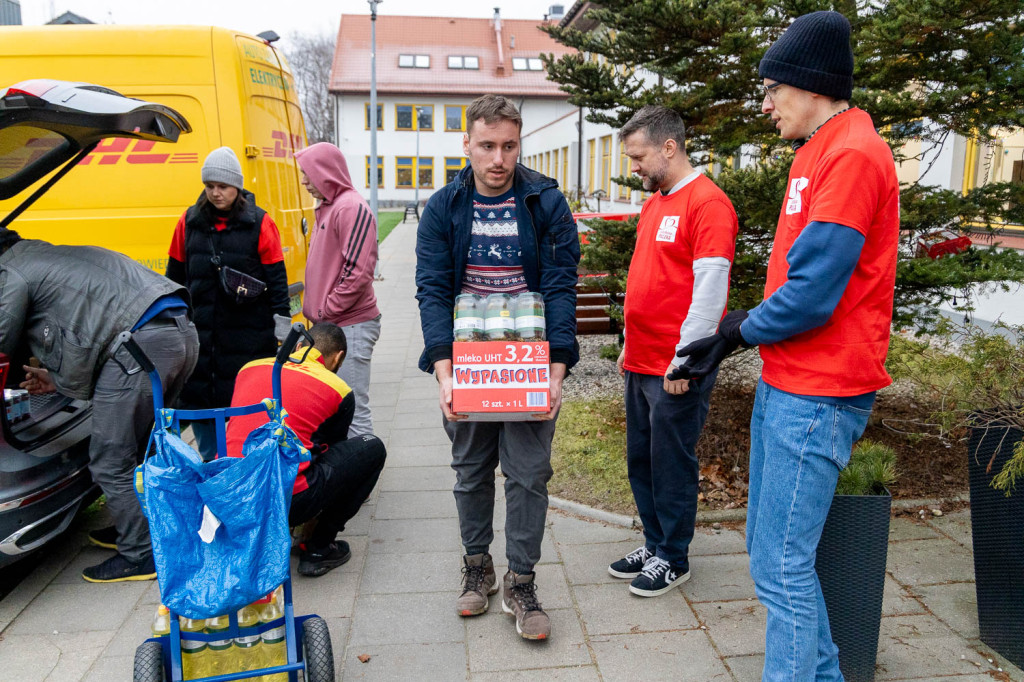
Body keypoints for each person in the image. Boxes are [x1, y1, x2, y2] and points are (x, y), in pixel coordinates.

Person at [672, 11, 900, 680]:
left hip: (820, 393)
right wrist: (739, 335)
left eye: (774, 89)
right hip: (792, 381)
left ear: (813, 85)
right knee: (770, 554)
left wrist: (734, 329)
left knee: (781, 567)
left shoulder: (853, 154)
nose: (767, 105)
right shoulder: (818, 150)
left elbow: (812, 294)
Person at [415, 94, 580, 641]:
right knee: (470, 471)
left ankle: (522, 580)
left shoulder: (545, 202)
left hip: (529, 364)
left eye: (509, 146)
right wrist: (444, 369)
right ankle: (477, 566)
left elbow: (559, 286)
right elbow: (433, 291)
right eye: (486, 146)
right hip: (469, 363)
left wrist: (558, 367)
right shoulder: (443, 208)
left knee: (530, 475)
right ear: (466, 144)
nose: (498, 159)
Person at [0, 228, 199, 582]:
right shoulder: (44, 253)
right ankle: (145, 532)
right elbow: (89, 327)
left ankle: (140, 555)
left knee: (110, 459)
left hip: (139, 346)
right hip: (178, 331)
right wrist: (54, 378)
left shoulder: (9, 271)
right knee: (143, 450)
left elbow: (2, 339)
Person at [608, 106, 738, 597]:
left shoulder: (708, 204)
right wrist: (628, 343)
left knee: (671, 462)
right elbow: (649, 278)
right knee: (641, 458)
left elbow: (710, 289)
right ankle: (654, 540)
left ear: (669, 146)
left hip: (675, 368)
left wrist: (687, 359)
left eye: (638, 156)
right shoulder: (655, 204)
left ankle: (673, 557)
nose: (633, 167)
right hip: (642, 359)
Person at [225, 323, 386, 577]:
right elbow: (329, 453)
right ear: (338, 357)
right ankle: (319, 548)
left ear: (299, 346)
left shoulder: (249, 367)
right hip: (287, 501)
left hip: (229, 493)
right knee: (371, 449)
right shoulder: (337, 387)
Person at [165, 146, 292, 459]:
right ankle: (211, 472)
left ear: (237, 186)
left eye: (222, 186)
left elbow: (277, 283)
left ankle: (242, 473)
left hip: (248, 342)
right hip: (201, 343)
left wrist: (282, 329)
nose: (215, 193)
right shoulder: (188, 223)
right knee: (203, 418)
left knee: (245, 418)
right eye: (209, 186)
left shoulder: (262, 224)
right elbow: (174, 279)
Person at [294, 143, 380, 439]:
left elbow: (358, 272)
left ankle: (364, 477)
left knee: (353, 408)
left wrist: (325, 310)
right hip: (331, 324)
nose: (304, 180)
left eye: (308, 174)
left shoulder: (351, 208)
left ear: (325, 172)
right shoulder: (330, 208)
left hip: (350, 325)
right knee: (333, 406)